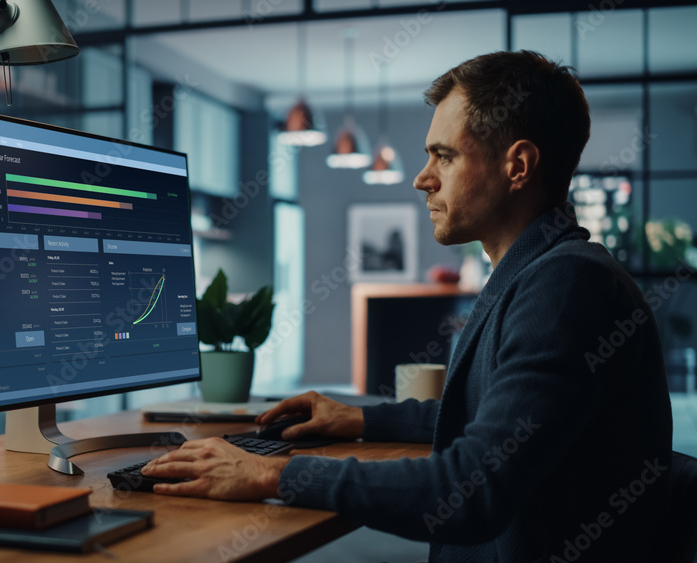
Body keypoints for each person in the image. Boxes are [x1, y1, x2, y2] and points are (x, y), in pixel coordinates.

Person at [142, 50, 673, 562]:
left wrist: (272, 475)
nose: (422, 177)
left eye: (445, 155)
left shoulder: (567, 285)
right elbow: (494, 414)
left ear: (518, 165)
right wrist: (359, 419)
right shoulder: (545, 271)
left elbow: (472, 488)